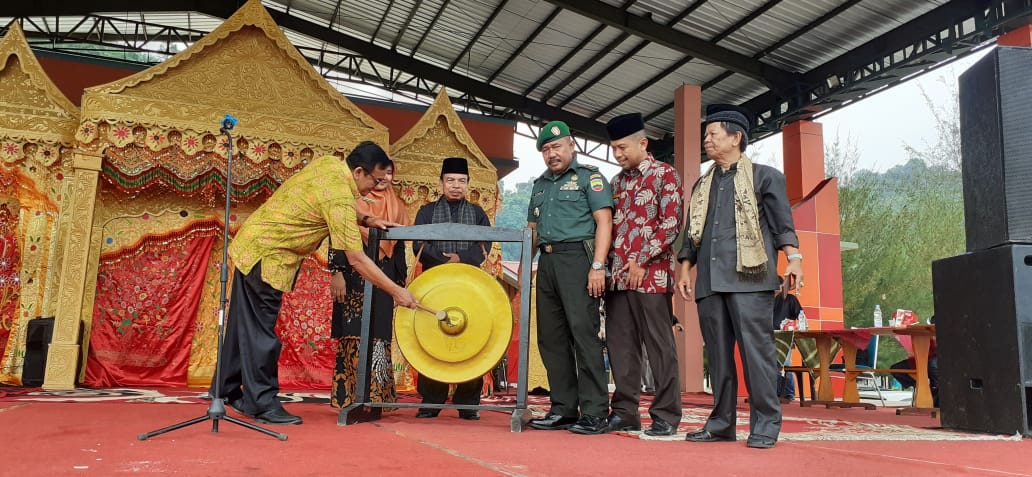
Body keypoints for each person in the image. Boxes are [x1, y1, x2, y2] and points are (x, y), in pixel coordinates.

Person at [213, 141, 418, 425]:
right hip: (269, 257)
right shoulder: (339, 199)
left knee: (241, 326)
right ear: (359, 171)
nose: (376, 187)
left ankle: (225, 390)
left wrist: (367, 218)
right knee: (261, 333)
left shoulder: (329, 164)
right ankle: (261, 403)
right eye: (376, 179)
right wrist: (397, 291)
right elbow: (356, 259)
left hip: (253, 246)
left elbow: (325, 201)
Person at [676, 105, 803, 449]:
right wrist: (685, 269)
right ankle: (721, 424)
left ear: (736, 137)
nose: (707, 140)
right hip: (709, 283)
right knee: (717, 357)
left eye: (713, 134)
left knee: (756, 353)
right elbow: (691, 235)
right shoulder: (702, 185)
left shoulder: (765, 176)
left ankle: (765, 423)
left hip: (750, 280)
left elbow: (782, 225)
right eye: (705, 136)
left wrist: (794, 259)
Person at [526, 121, 614, 435]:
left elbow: (604, 221)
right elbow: (532, 231)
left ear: (571, 145)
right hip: (546, 262)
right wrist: (526, 268)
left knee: (583, 334)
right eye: (546, 149)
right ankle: (563, 408)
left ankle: (594, 412)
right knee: (551, 339)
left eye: (557, 146)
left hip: (578, 260)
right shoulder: (539, 185)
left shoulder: (589, 178)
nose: (552, 154)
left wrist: (598, 266)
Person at [603, 112, 683, 436]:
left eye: (622, 147)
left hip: (652, 276)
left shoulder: (666, 175)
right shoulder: (616, 183)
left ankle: (665, 415)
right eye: (614, 149)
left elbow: (671, 223)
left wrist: (640, 259)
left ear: (643, 143)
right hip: (618, 278)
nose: (618, 154)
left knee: (659, 347)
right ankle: (625, 412)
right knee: (621, 347)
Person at [413, 157, 492, 420]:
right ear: (441, 183)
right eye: (450, 180)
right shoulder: (426, 212)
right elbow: (419, 246)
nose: (456, 186)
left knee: (471, 338)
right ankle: (431, 400)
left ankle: (468, 402)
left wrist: (460, 259)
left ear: (468, 184)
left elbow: (484, 248)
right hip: (434, 283)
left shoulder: (478, 214)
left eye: (461, 181)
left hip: (469, 284)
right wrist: (445, 261)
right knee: (431, 338)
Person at [328, 160, 410, 413]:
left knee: (379, 336)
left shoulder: (397, 206)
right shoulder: (354, 203)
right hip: (354, 276)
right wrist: (337, 271)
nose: (384, 177)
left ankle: (378, 397)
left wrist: (399, 282)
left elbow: (399, 248)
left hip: (384, 279)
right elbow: (338, 234)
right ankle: (349, 397)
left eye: (389, 173)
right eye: (380, 173)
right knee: (353, 332)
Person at [772, 277, 802, 402]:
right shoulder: (763, 300)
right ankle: (774, 392)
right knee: (769, 365)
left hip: (785, 336)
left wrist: (791, 326)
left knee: (784, 363)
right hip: (766, 335)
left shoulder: (790, 299)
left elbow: (800, 315)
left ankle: (789, 393)